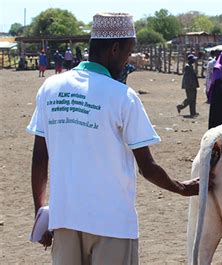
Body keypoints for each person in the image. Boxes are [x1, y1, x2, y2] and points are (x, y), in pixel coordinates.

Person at [27, 13, 203, 264]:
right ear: (115, 48)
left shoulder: (50, 89)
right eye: (128, 53)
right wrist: (183, 188)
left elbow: (38, 159)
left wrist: (40, 212)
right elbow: (148, 168)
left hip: (64, 219)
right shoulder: (123, 97)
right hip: (111, 224)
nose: (127, 60)